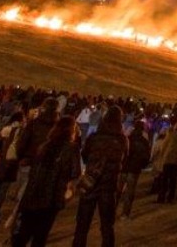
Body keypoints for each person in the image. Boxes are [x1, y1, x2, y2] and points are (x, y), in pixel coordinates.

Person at [12, 115, 81, 247]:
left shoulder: (44, 146)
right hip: (51, 197)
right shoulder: (72, 148)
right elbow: (75, 172)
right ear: (71, 130)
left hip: (32, 194)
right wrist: (69, 190)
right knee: (40, 236)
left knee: (23, 234)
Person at [72, 104, 127, 247]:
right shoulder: (122, 140)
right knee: (107, 226)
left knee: (82, 226)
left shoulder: (94, 137)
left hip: (91, 182)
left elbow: (84, 156)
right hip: (109, 186)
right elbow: (125, 160)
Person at [117, 119, 150, 219]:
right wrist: (142, 166)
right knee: (129, 192)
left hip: (124, 167)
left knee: (118, 190)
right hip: (134, 169)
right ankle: (125, 213)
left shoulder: (128, 138)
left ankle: (111, 210)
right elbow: (146, 157)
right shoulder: (144, 142)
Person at [156, 120, 177, 203]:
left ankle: (161, 197)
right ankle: (171, 197)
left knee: (165, 179)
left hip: (168, 158)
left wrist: (161, 155)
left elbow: (164, 145)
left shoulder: (171, 134)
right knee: (173, 180)